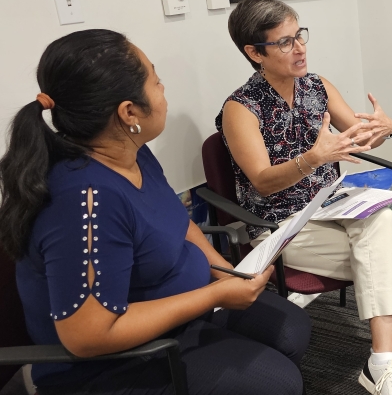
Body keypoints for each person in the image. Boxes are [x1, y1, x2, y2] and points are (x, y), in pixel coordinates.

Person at [0, 29, 312, 394]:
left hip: (178, 316)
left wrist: (224, 274)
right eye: (156, 81)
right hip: (113, 365)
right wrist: (213, 296)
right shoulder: (84, 200)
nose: (163, 91)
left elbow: (179, 225)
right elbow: (88, 337)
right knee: (279, 382)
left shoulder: (131, 151)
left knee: (290, 328)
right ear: (128, 112)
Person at [217, 0, 392, 395]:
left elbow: (360, 134)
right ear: (254, 52)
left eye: (299, 35)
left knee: (381, 226)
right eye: (284, 42)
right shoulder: (240, 108)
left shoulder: (317, 86)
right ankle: (388, 368)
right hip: (281, 227)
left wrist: (386, 127)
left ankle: (383, 366)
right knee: (385, 252)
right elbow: (262, 182)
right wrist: (314, 158)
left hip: (333, 207)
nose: (299, 48)